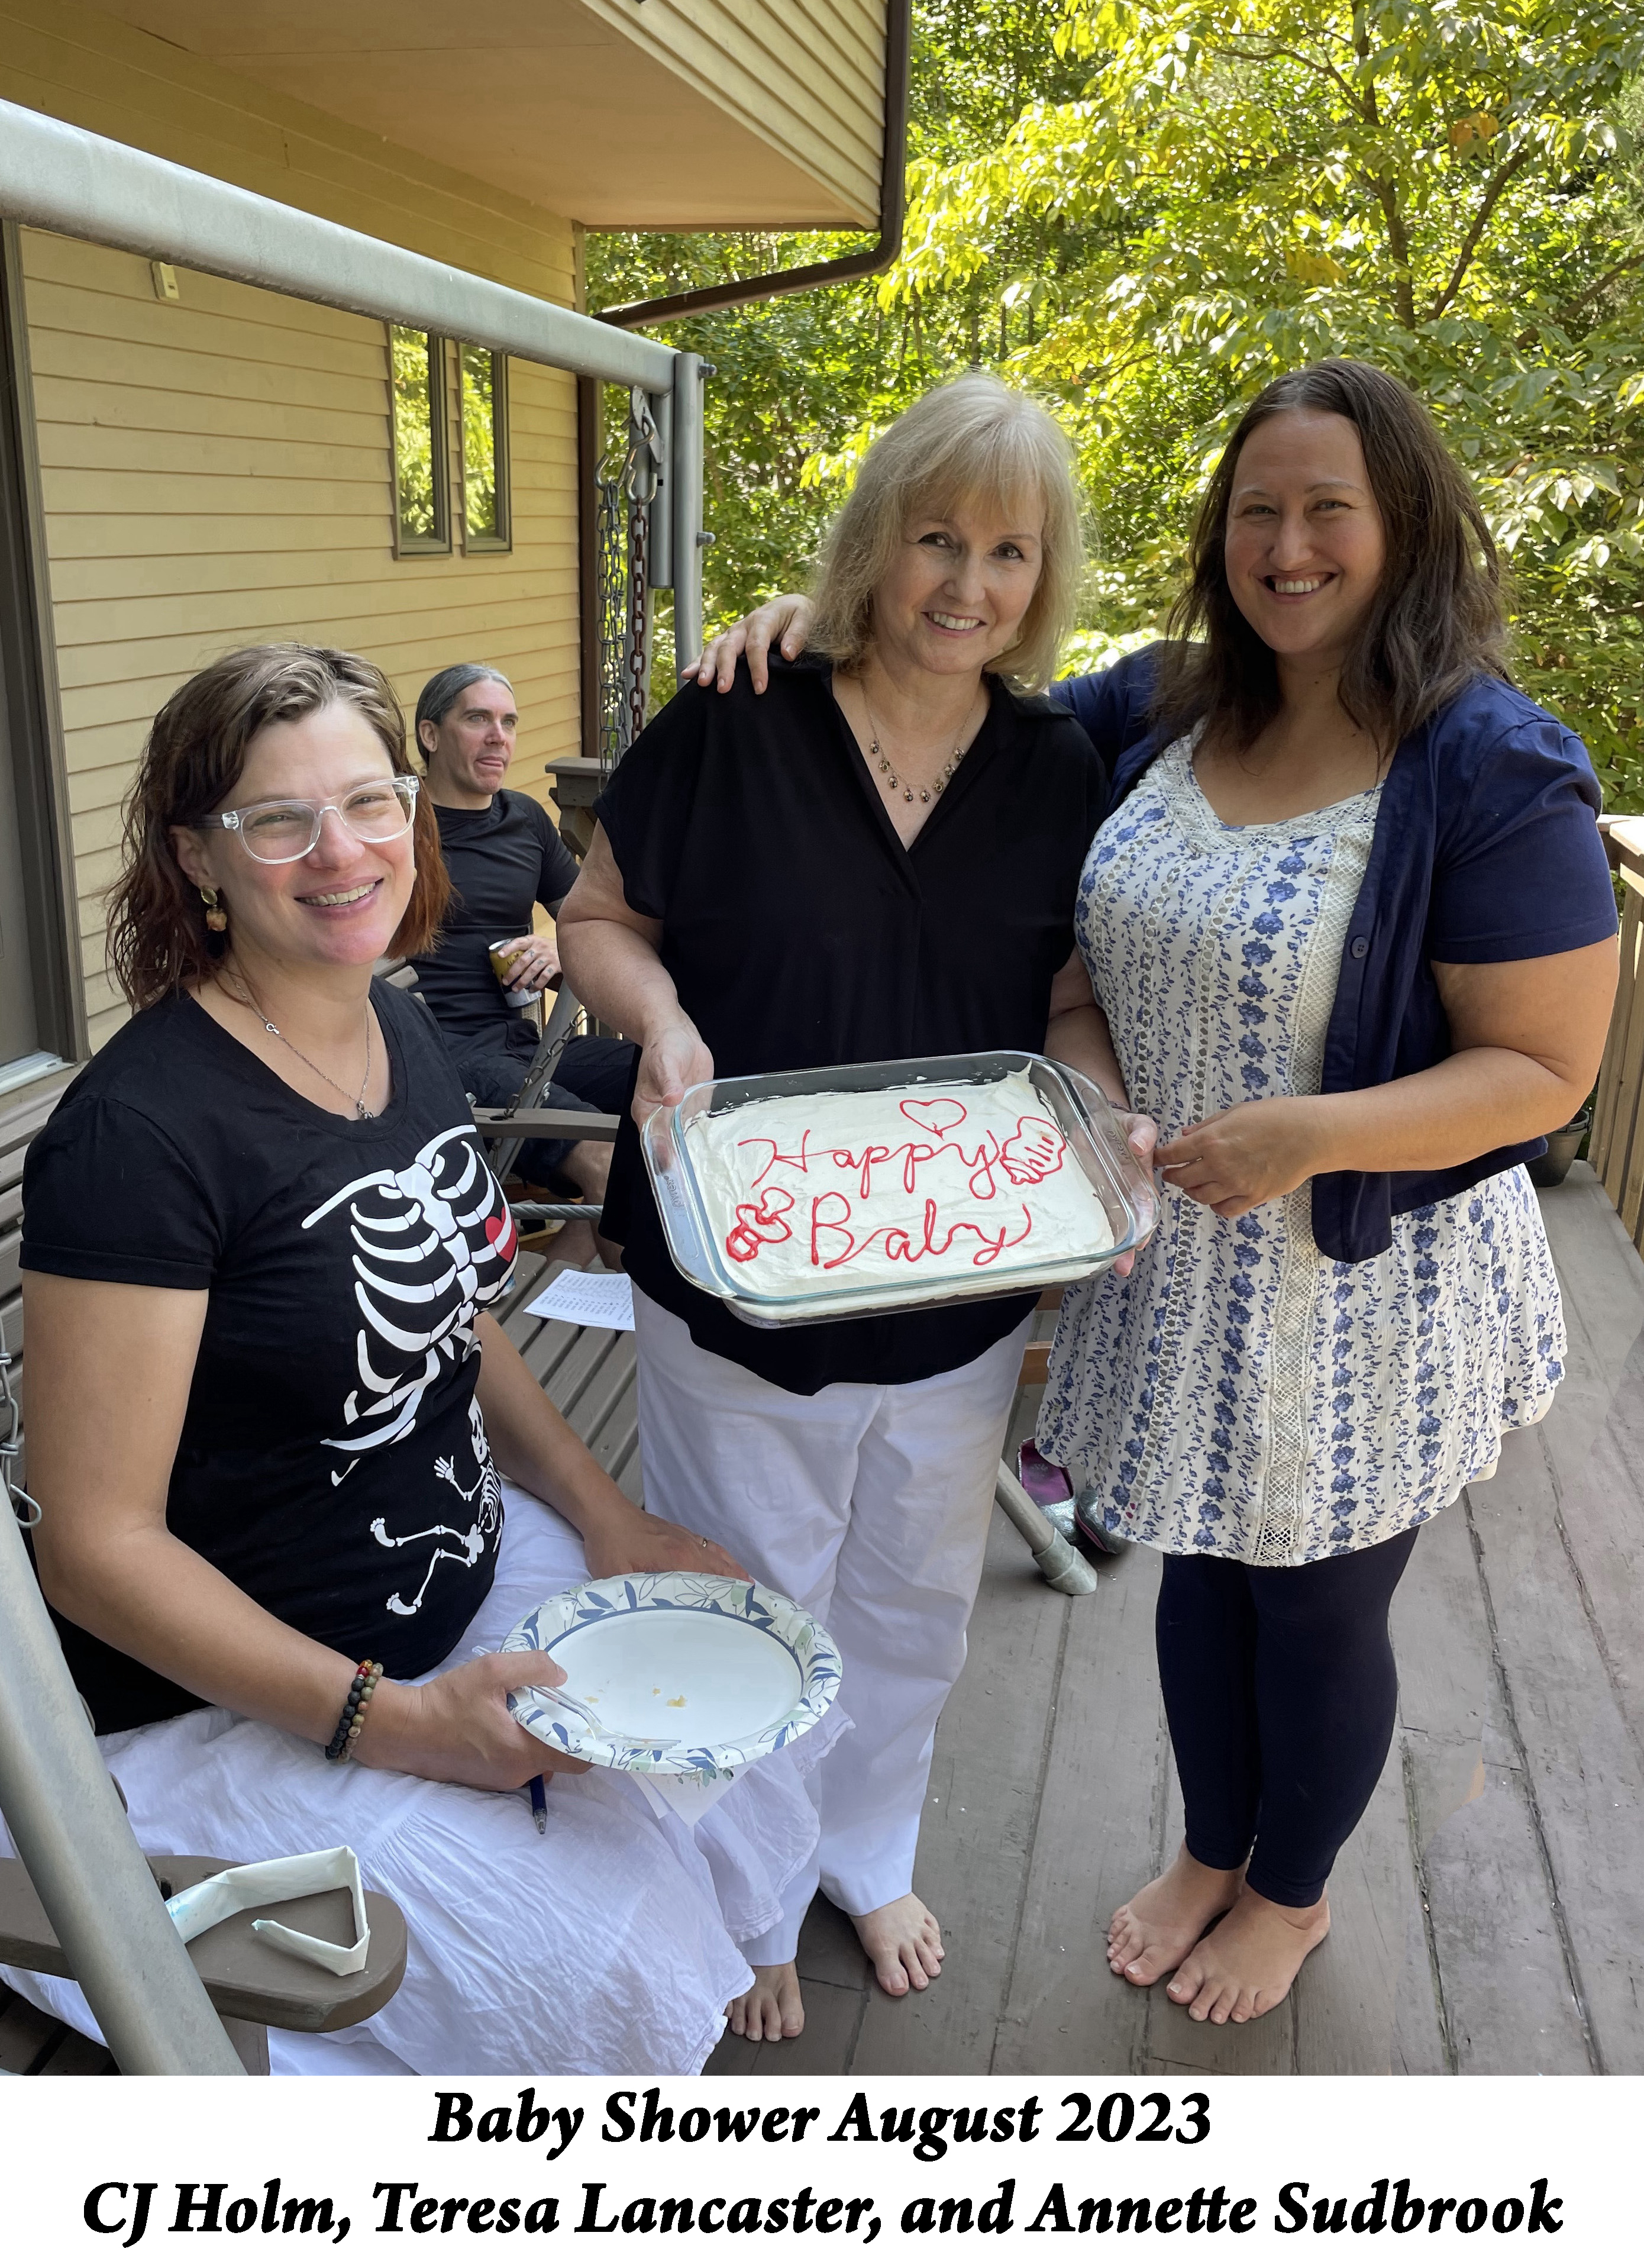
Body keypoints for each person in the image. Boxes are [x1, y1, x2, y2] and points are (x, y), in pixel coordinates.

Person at [689, 357, 1620, 2027]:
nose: (1286, 546)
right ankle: (1209, 1849)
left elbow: (1543, 1073)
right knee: (1197, 1571)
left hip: (1360, 1264)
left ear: (1402, 525)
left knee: (1317, 1606)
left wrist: (1307, 1135)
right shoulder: (1170, 701)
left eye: (1327, 509)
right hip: (1174, 1252)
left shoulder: (1489, 762)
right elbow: (952, 663)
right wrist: (807, 611)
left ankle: (1289, 1893)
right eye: (1256, 509)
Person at [6, 643, 828, 2076]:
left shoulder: (391, 1021)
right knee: (603, 1956)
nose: (341, 853)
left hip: (456, 1573)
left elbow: (459, 1315)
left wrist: (610, 1514)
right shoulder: (138, 1139)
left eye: (371, 800)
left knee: (759, 1688)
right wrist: (393, 1723)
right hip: (233, 1691)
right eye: (279, 820)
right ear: (202, 858)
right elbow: (94, 1547)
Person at [557, 373, 1146, 2046]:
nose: (969, 586)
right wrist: (658, 1022)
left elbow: (1068, 991)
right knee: (748, 1595)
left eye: (1012, 553)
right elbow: (600, 916)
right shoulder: (740, 713)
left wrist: (1089, 1097)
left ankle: (858, 1850)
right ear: (877, 541)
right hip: (743, 1270)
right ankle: (740, 1894)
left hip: (957, 1286)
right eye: (939, 540)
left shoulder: (1055, 764)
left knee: (908, 1600)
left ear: (1048, 575)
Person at [408, 663, 635, 1260]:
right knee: (611, 1163)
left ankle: (541, 1305)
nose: (498, 736)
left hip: (527, 1047)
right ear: (430, 734)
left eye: (507, 721)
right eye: (477, 718)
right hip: (441, 1056)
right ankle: (618, 1332)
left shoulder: (524, 818)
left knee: (669, 1092)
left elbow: (593, 927)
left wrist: (559, 948)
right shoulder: (392, 824)